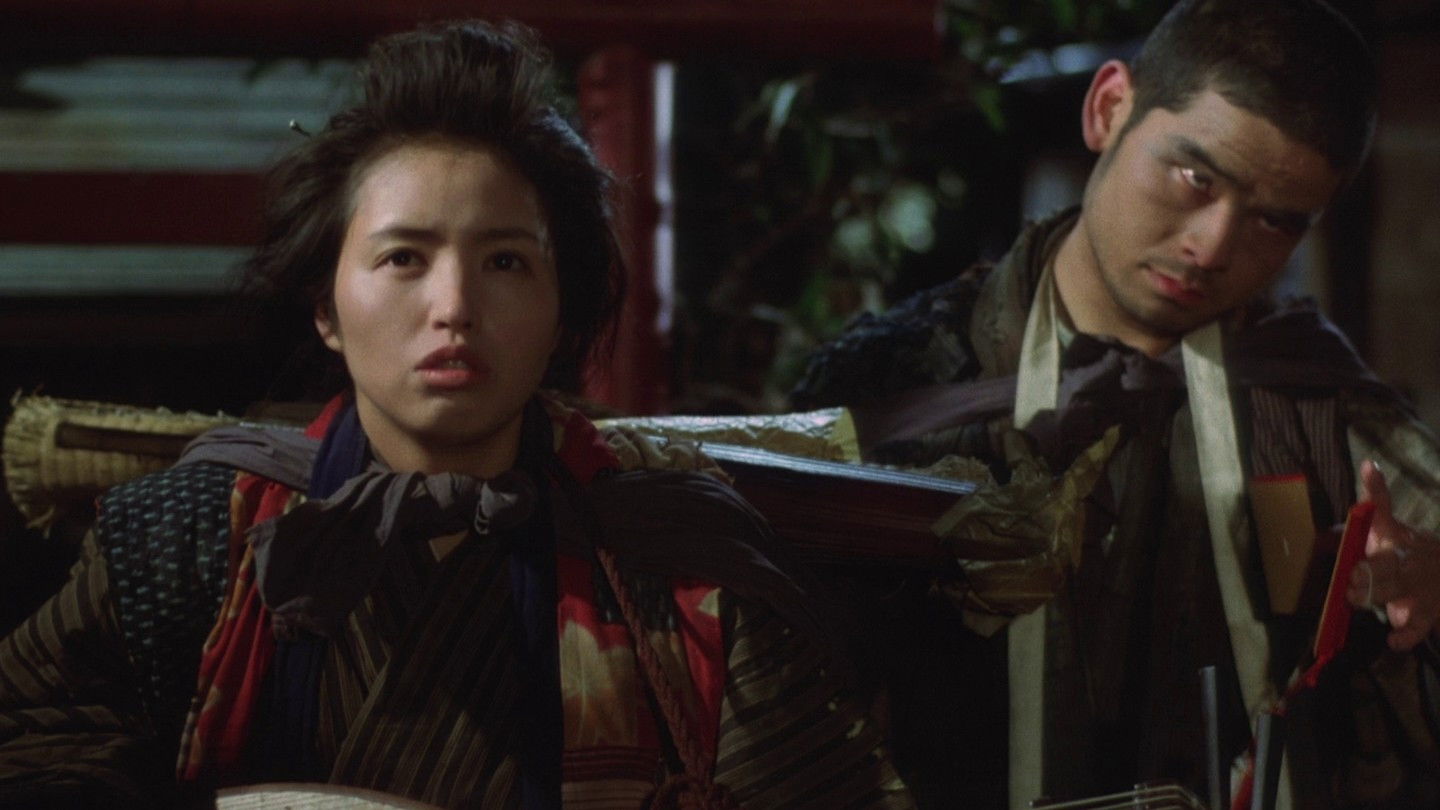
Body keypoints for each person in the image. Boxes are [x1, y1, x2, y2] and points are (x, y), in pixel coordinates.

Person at [0, 21, 914, 810]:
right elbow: (33, 746)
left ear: (562, 311)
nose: (455, 307)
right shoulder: (193, 538)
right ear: (326, 307)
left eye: (506, 262)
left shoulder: (682, 571)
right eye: (404, 258)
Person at [793, 1, 1440, 808]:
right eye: (1196, 178)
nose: (1212, 246)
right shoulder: (896, 384)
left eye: (1275, 222)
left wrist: (1424, 579)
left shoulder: (1320, 405)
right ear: (1108, 109)